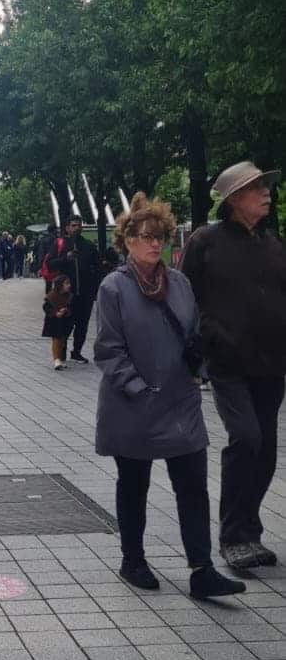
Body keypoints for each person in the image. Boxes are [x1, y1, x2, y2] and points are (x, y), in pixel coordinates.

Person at [95, 193, 245, 601]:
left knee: (193, 485)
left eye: (158, 236)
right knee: (134, 484)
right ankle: (133, 559)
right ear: (127, 240)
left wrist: (200, 365)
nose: (153, 243)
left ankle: (202, 569)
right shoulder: (114, 287)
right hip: (133, 405)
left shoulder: (179, 283)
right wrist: (139, 389)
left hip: (180, 401)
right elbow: (108, 350)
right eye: (145, 236)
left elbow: (194, 334)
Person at [180, 161, 286, 571]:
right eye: (258, 188)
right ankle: (232, 536)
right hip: (227, 362)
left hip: (272, 363)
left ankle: (249, 529)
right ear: (235, 198)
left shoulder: (273, 244)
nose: (267, 193)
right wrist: (196, 350)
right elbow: (183, 296)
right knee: (245, 437)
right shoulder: (205, 241)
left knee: (266, 451)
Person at [47, 216, 100, 363]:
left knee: (82, 325)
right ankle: (61, 352)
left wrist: (94, 288)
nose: (77, 228)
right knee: (65, 323)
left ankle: (77, 352)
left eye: (79, 225)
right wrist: (66, 258)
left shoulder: (88, 245)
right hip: (65, 295)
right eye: (73, 225)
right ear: (67, 228)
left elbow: (97, 267)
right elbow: (50, 264)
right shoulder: (60, 244)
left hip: (85, 293)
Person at [43, 272, 74, 370]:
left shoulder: (69, 296)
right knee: (56, 339)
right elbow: (46, 308)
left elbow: (71, 307)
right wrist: (55, 313)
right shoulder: (52, 296)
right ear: (60, 285)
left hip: (64, 321)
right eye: (66, 283)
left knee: (62, 340)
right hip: (54, 321)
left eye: (69, 283)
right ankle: (56, 360)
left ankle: (59, 358)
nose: (69, 285)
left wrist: (66, 310)